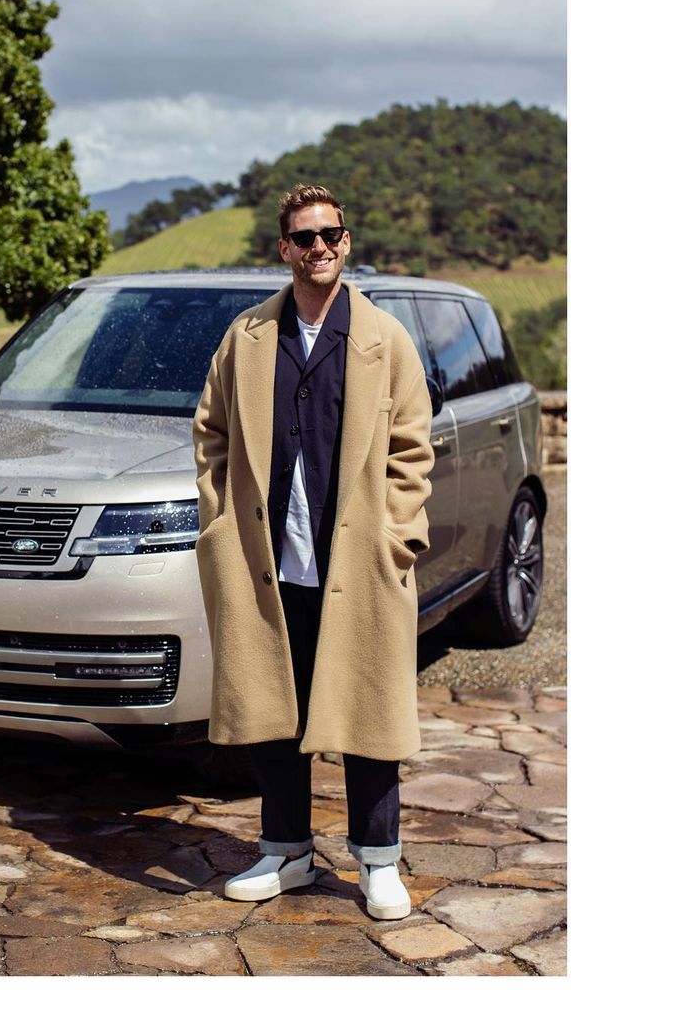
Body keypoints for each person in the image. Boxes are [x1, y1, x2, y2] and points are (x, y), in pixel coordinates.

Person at [191, 183, 434, 919]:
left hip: (359, 563)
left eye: (330, 234)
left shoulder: (384, 338)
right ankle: (286, 851)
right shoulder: (246, 337)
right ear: (284, 249)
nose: (318, 247)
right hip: (268, 560)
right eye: (304, 237)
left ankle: (378, 861)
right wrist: (219, 526)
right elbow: (211, 433)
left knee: (369, 712)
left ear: (346, 242)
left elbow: (412, 450)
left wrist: (397, 536)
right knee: (274, 710)